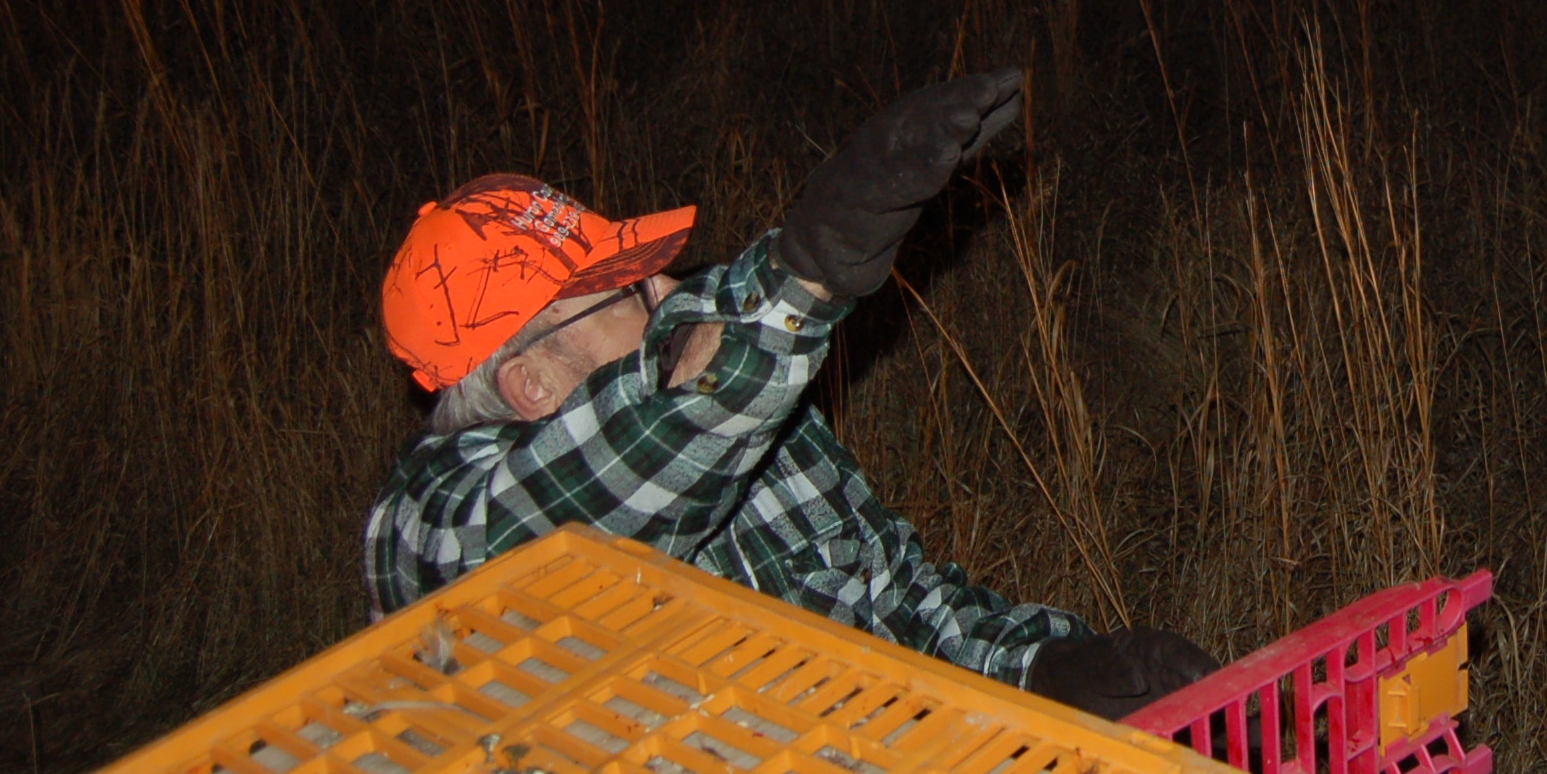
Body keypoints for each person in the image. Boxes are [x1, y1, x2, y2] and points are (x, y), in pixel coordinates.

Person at [366, 67, 1212, 720]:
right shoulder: (434, 531)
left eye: (647, 271)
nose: (667, 291)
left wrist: (1049, 670)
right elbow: (622, 463)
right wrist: (804, 272)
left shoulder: (746, 432)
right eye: (628, 292)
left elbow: (894, 604)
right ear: (530, 382)